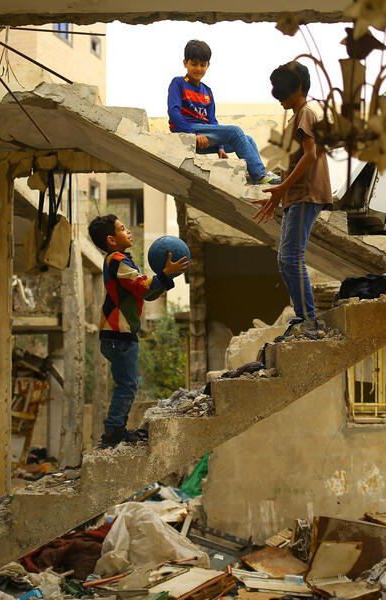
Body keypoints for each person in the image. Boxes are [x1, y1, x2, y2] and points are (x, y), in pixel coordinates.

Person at [88, 214, 189, 448]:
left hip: (122, 333)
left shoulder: (124, 260)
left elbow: (147, 293)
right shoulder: (117, 260)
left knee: (128, 383)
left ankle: (116, 429)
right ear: (111, 240)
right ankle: (113, 431)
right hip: (118, 334)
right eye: (123, 229)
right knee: (127, 384)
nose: (129, 231)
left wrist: (166, 276)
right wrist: (164, 274)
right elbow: (141, 286)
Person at [252, 61, 332, 339]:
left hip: (305, 194)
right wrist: (277, 194)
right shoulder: (295, 117)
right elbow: (293, 160)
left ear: (296, 87)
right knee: (285, 259)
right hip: (294, 196)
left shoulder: (306, 113)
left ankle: (309, 320)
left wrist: (283, 188)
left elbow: (310, 156)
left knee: (291, 257)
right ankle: (303, 317)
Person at [168, 39, 280, 186]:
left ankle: (258, 183)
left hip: (205, 136)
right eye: (194, 64)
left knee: (248, 140)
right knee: (235, 131)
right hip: (186, 132)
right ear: (185, 63)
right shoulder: (178, 83)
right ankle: (260, 174)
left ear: (208, 65)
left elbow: (212, 121)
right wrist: (193, 134)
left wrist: (220, 147)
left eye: (203, 64)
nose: (198, 68)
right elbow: (174, 113)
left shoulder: (207, 91)